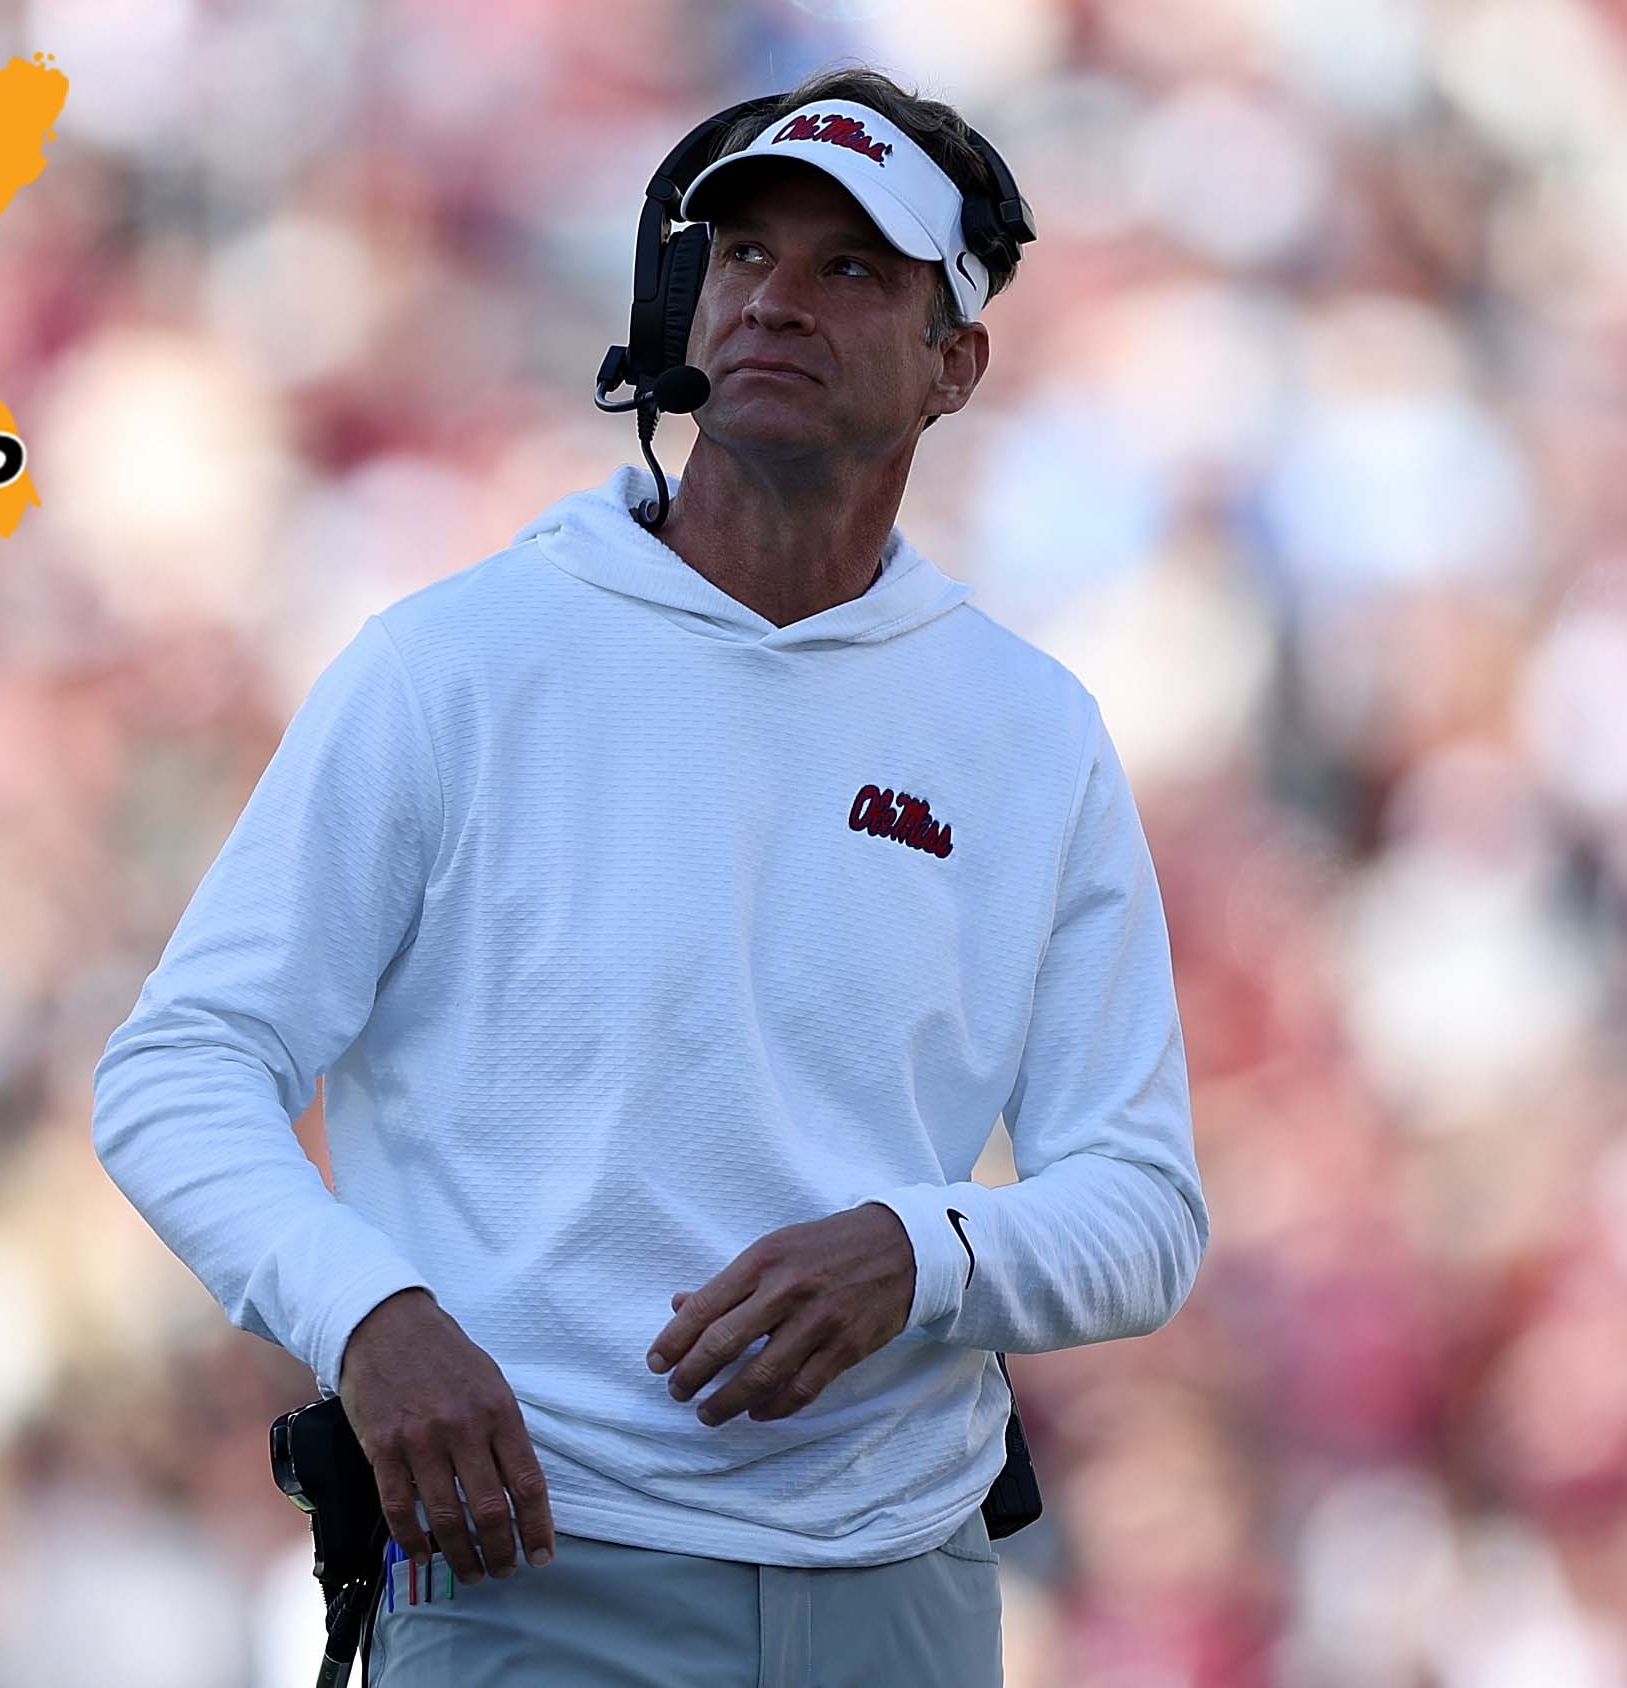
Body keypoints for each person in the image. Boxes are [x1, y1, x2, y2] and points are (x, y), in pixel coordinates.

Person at [93, 64, 1208, 1686]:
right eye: (744, 253)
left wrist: (921, 1254)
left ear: (955, 362)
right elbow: (179, 1068)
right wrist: (369, 1315)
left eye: (850, 267)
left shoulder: (1030, 730)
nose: (774, 300)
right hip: (528, 1576)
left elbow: (1146, 1207)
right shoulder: (456, 665)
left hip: (904, 1593)